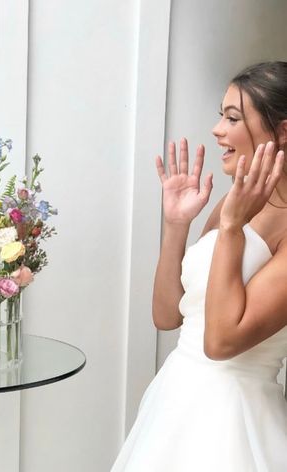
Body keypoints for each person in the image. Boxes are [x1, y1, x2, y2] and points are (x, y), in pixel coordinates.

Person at [111, 62, 287, 471]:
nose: (217, 130)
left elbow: (221, 343)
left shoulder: (240, 215)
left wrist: (232, 228)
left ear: (281, 132)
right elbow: (168, 314)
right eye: (220, 115)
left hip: (235, 424)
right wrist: (176, 224)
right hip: (173, 404)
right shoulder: (231, 204)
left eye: (233, 118)